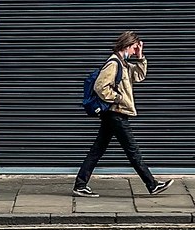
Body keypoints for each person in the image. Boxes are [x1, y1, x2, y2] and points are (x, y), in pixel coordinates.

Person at [72, 30, 174, 198]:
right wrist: (117, 98)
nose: (135, 51)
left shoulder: (123, 64)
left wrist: (140, 56)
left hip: (114, 115)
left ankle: (80, 184)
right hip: (116, 114)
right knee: (133, 151)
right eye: (134, 48)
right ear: (126, 45)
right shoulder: (114, 63)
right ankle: (152, 184)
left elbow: (140, 76)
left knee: (97, 150)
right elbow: (100, 86)